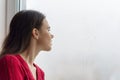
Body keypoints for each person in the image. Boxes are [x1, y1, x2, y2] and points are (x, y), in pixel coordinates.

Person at [0, 10, 54, 80]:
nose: (52, 35)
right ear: (35, 33)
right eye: (48, 30)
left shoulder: (40, 73)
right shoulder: (10, 62)